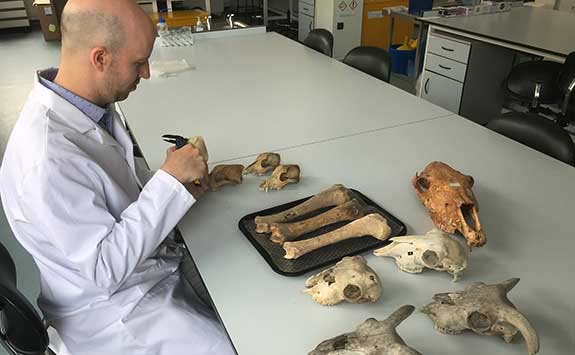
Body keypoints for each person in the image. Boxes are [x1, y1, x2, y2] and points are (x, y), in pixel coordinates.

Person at [0, 0, 235, 354]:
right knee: (239, 342)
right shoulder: (45, 158)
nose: (146, 74)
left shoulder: (86, 107)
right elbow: (103, 269)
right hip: (114, 312)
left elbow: (110, 189)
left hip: (142, 270)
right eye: (139, 63)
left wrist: (172, 182)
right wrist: (168, 183)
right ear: (100, 58)